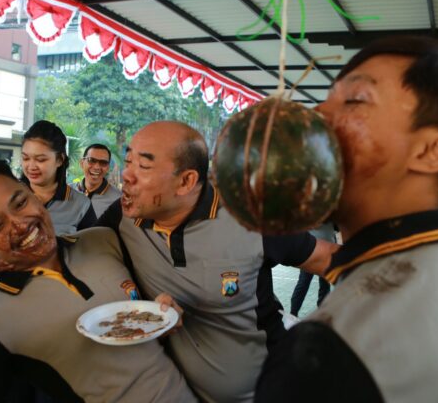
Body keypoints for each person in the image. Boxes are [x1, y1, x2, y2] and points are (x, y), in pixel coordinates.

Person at [255, 36, 438, 402]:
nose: (315, 117)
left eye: (354, 100)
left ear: (432, 151)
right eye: (325, 101)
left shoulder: (324, 352)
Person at [97, 120, 337, 403]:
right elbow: (80, 258)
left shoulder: (247, 215)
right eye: (127, 161)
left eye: (143, 166)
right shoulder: (121, 217)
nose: (125, 175)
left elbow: (327, 259)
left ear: (186, 181)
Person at [0, 160, 196, 402]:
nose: (21, 225)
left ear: (34, 195)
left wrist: (161, 315)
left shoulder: (103, 239)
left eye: (19, 203)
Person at [0, 120, 97, 316]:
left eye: (41, 159)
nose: (31, 166)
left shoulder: (80, 205)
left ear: (60, 160)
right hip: (6, 307)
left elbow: (90, 263)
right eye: (26, 158)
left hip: (59, 310)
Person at [289, 223, 335, 316]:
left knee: (325, 284)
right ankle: (292, 314)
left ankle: (322, 311)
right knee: (304, 282)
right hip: (311, 251)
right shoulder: (312, 212)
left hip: (328, 248)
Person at [76, 143, 122, 218]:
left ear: (107, 168)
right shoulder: (67, 192)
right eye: (91, 160)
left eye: (103, 163)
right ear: (82, 163)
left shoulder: (118, 200)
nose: (97, 167)